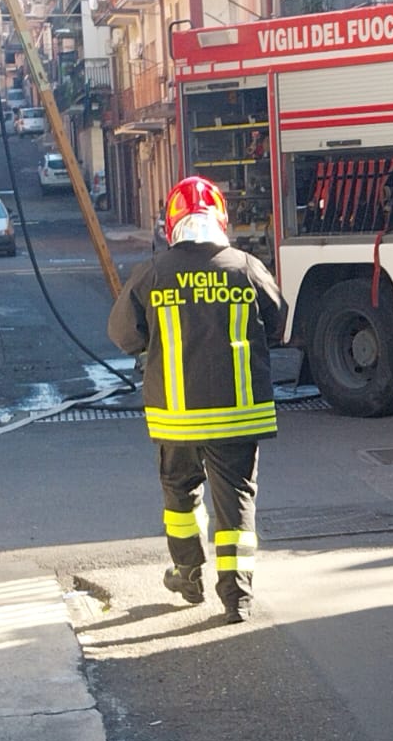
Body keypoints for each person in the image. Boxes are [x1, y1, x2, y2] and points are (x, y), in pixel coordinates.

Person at [108, 176, 285, 623]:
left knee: (180, 495)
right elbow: (279, 323)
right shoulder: (246, 267)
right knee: (236, 501)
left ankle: (187, 574)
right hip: (238, 414)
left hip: (177, 416)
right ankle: (237, 596)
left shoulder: (152, 273)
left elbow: (124, 336)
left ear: (171, 224)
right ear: (221, 219)